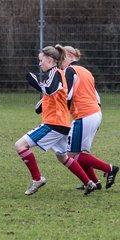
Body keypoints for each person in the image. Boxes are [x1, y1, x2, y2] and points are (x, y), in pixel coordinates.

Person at [16, 45, 97, 196]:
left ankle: (37, 179)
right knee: (63, 157)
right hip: (61, 124)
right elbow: (52, 95)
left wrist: (32, 79)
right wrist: (40, 104)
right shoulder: (55, 75)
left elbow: (48, 90)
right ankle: (89, 182)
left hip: (54, 124)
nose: (39, 64)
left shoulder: (55, 73)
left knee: (20, 145)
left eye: (41, 61)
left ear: (49, 59)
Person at [62, 46, 118, 190]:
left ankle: (109, 168)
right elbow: (97, 97)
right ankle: (95, 182)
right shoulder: (86, 71)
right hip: (94, 113)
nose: (60, 60)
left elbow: (67, 95)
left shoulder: (70, 70)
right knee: (81, 153)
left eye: (61, 56)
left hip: (84, 115)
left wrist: (61, 113)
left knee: (71, 155)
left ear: (70, 56)